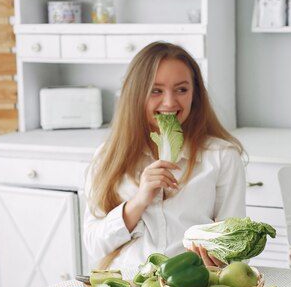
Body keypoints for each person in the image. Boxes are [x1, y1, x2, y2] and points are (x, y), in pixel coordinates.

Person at [84, 41, 244, 270]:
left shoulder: (222, 157)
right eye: (156, 91)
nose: (170, 102)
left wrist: (221, 259)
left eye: (181, 89)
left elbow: (239, 249)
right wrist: (139, 201)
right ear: (136, 95)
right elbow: (93, 246)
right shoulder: (107, 157)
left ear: (195, 95)